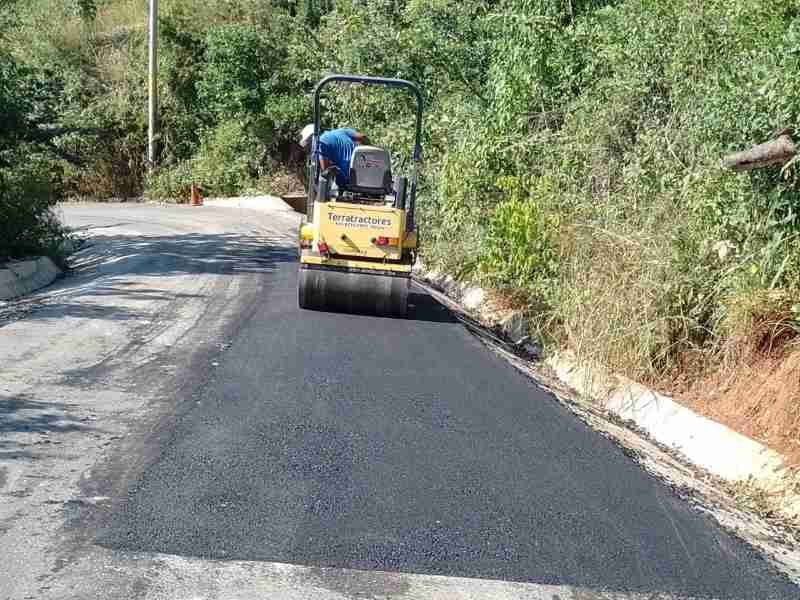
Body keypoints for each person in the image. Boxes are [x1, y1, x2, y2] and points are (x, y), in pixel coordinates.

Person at [299, 124, 368, 188]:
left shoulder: (320, 143)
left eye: (308, 144)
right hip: (366, 172)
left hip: (349, 179)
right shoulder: (341, 131)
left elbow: (325, 170)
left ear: (312, 138)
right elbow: (363, 137)